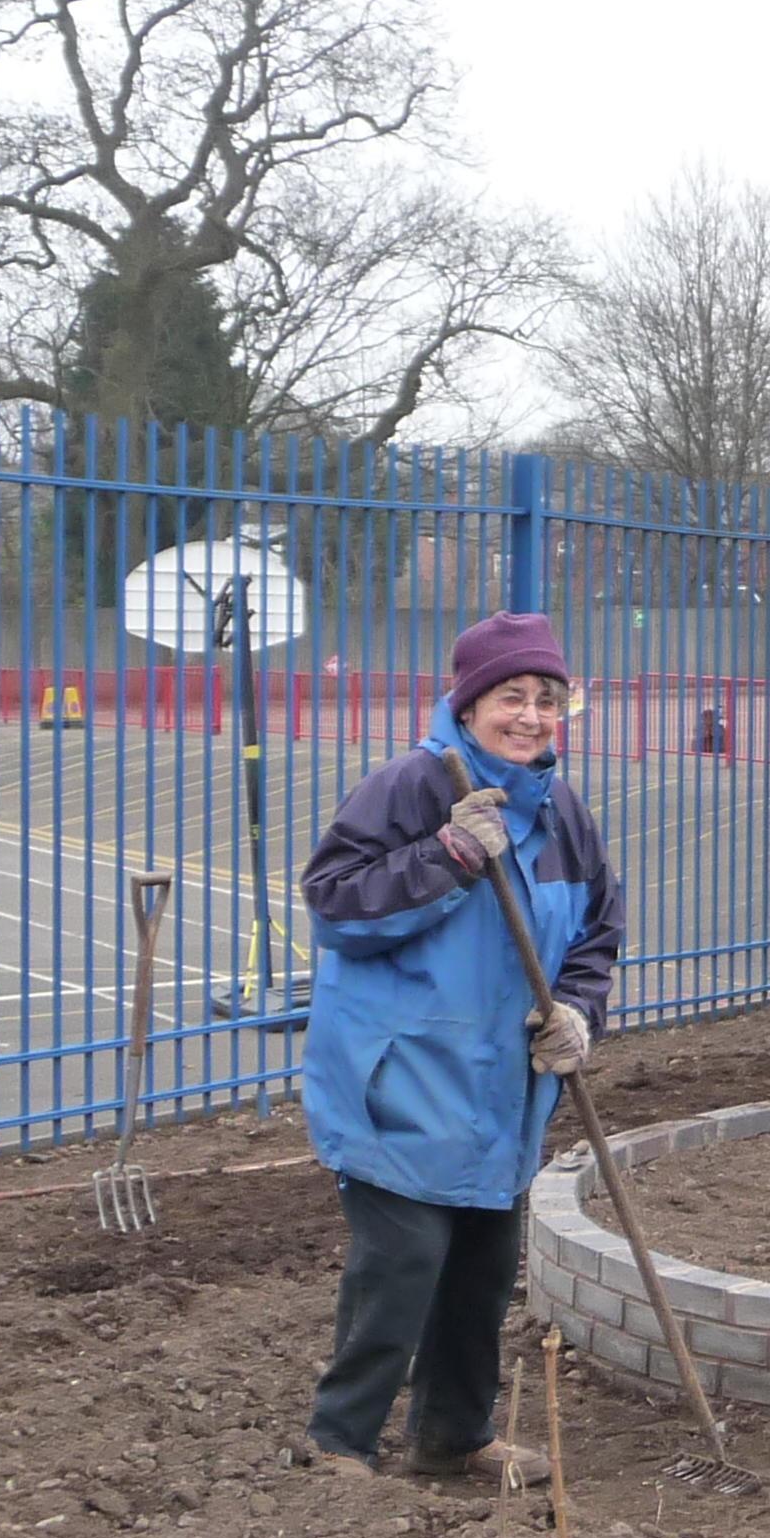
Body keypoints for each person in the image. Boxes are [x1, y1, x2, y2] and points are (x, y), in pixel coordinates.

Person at [297, 612, 624, 1478]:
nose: (531, 716)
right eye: (512, 697)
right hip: (401, 1075)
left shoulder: (560, 811)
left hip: (502, 1086)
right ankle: (338, 1440)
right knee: (402, 1263)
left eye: (547, 699)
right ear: (469, 703)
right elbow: (335, 907)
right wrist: (446, 855)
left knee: (483, 1267)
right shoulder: (411, 785)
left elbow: (596, 929)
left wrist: (578, 1011)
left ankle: (454, 1437)